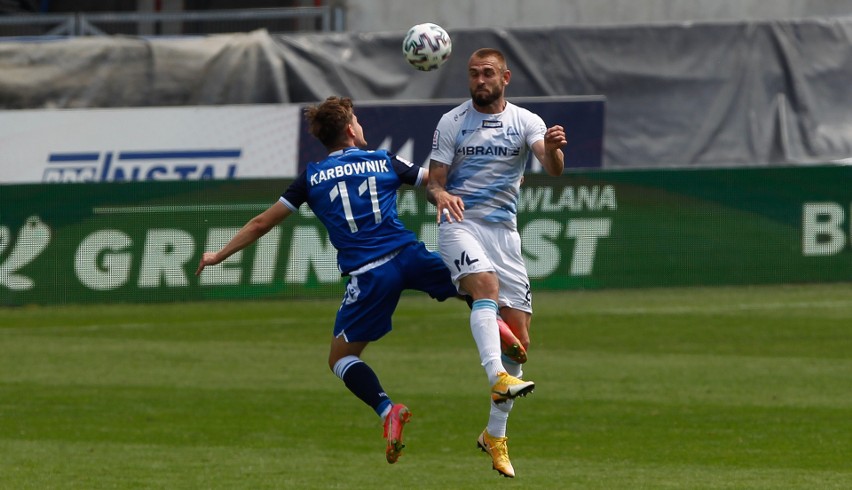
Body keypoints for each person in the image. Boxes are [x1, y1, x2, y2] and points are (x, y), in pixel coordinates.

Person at [195, 96, 533, 465]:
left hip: (369, 275)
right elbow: (435, 181)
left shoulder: (310, 178)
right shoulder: (383, 160)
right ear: (351, 129)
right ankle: (501, 329)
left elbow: (262, 223)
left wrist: (218, 256)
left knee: (340, 359)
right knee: (474, 285)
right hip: (410, 256)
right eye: (356, 120)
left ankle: (388, 410)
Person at [427, 48, 567, 478]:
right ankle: (495, 373)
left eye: (488, 73)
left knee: (520, 344)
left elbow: (552, 167)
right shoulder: (452, 122)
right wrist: (441, 194)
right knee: (484, 288)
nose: (479, 80)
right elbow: (434, 181)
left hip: (505, 236)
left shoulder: (526, 121)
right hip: (460, 224)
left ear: (505, 77)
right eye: (473, 74)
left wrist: (557, 150)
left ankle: (494, 435)